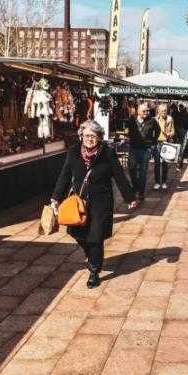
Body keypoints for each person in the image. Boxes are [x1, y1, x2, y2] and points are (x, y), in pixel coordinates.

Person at [52, 121, 138, 288]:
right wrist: (56, 197)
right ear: (81, 136)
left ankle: (93, 271)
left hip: (101, 202)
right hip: (79, 202)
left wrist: (129, 197)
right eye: (86, 136)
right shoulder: (74, 152)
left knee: (95, 237)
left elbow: (119, 175)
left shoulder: (107, 152)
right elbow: (64, 175)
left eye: (93, 136)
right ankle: (93, 257)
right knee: (79, 234)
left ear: (99, 137)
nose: (90, 139)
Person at [126, 101, 160, 201]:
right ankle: (135, 187)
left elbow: (157, 131)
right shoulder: (132, 120)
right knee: (132, 169)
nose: (146, 113)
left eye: (147, 111)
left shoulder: (152, 121)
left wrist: (153, 141)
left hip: (145, 149)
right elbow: (128, 131)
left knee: (143, 171)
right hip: (134, 148)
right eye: (144, 111)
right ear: (138, 112)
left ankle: (140, 192)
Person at [152, 103, 176, 191]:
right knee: (157, 163)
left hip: (166, 143)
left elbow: (173, 131)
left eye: (165, 110)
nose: (164, 112)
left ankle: (164, 181)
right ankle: (157, 182)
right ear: (158, 111)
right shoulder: (155, 119)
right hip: (157, 143)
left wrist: (170, 134)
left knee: (165, 163)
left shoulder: (170, 119)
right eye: (162, 111)